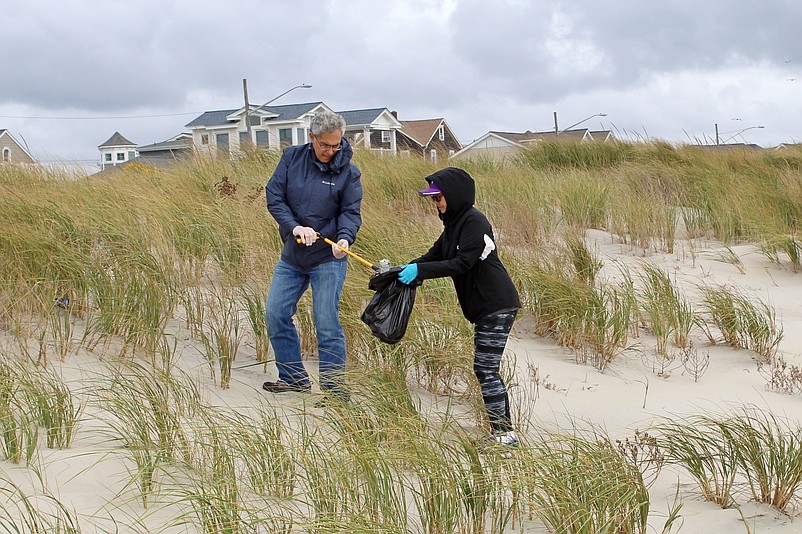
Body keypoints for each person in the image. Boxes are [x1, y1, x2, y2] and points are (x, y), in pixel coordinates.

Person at [398, 167, 521, 446]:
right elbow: (435, 255)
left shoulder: (474, 222)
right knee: (485, 368)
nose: (436, 203)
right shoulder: (454, 224)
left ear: (454, 195)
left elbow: (462, 263)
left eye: (439, 197)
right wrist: (406, 268)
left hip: (497, 303)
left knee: (486, 368)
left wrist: (420, 271)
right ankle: (502, 432)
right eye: (433, 199)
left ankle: (504, 435)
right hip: (484, 306)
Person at [263, 111, 362, 401]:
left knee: (326, 321)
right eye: (325, 145)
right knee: (276, 313)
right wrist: (295, 227)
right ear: (311, 138)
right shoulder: (291, 159)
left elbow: (350, 212)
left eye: (336, 145)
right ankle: (293, 378)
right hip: (293, 255)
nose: (331, 151)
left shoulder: (349, 172)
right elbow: (275, 198)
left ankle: (334, 389)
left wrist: (344, 237)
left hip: (328, 257)